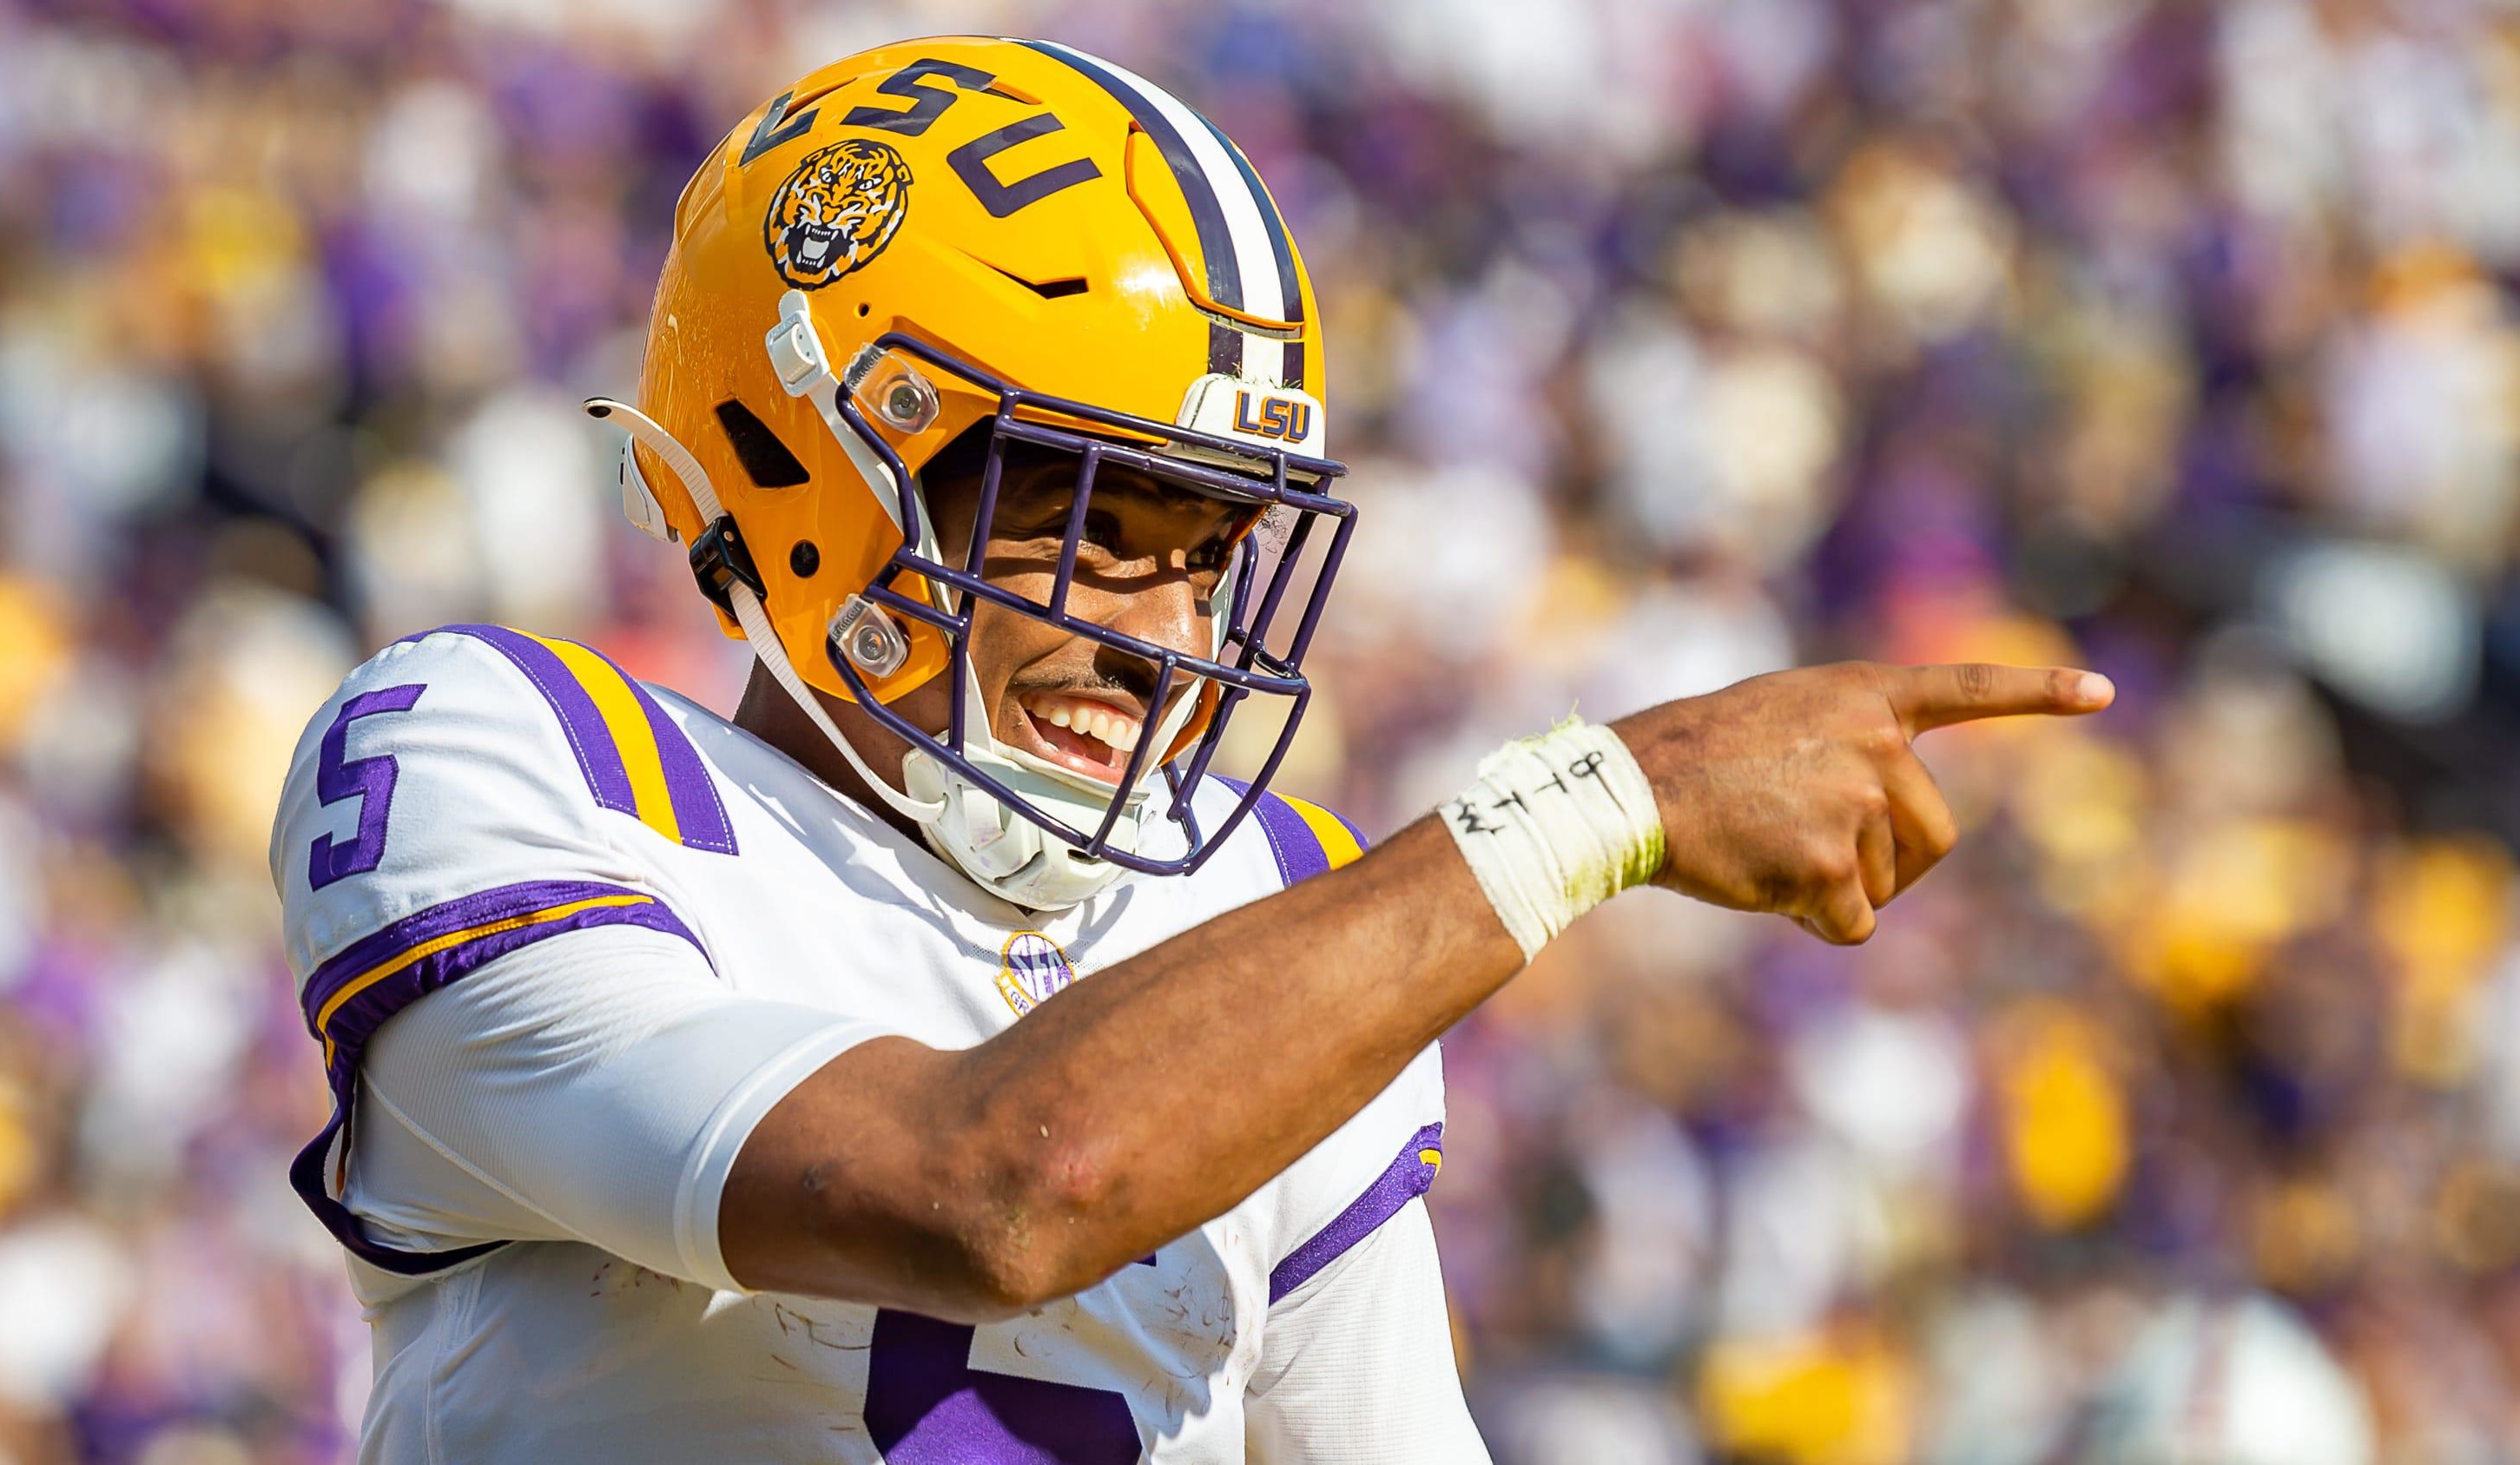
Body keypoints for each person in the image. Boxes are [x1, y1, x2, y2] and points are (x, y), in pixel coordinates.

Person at [269, 35, 2114, 1464]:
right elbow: (985, 1189)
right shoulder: (512, 757)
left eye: (1207, 553)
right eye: (1091, 530)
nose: (1158, 642)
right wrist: (1602, 799)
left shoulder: (1266, 907)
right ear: (824, 468)